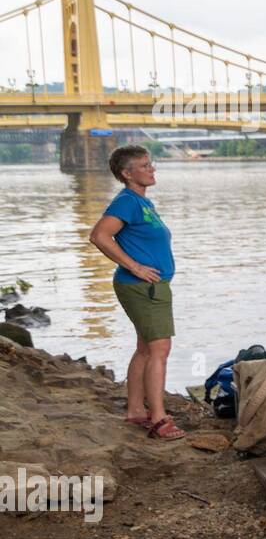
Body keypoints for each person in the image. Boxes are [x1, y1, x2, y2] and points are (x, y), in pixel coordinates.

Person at [89, 145, 187, 441]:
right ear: (127, 173)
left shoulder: (141, 202)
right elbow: (99, 235)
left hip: (150, 287)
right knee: (160, 350)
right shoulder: (127, 202)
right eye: (144, 165)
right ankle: (158, 419)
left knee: (146, 348)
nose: (152, 168)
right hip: (144, 288)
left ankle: (135, 410)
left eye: (150, 163)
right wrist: (135, 267)